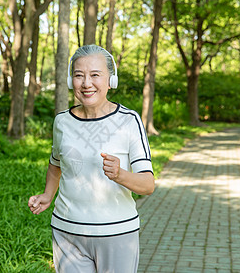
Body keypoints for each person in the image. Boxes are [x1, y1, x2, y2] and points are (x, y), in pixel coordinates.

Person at [28, 44, 154, 273]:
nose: (86, 83)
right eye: (79, 75)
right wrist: (48, 194)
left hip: (116, 234)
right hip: (67, 232)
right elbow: (56, 163)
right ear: (70, 81)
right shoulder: (62, 121)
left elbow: (147, 185)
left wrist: (120, 175)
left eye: (95, 75)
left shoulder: (129, 121)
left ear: (110, 81)